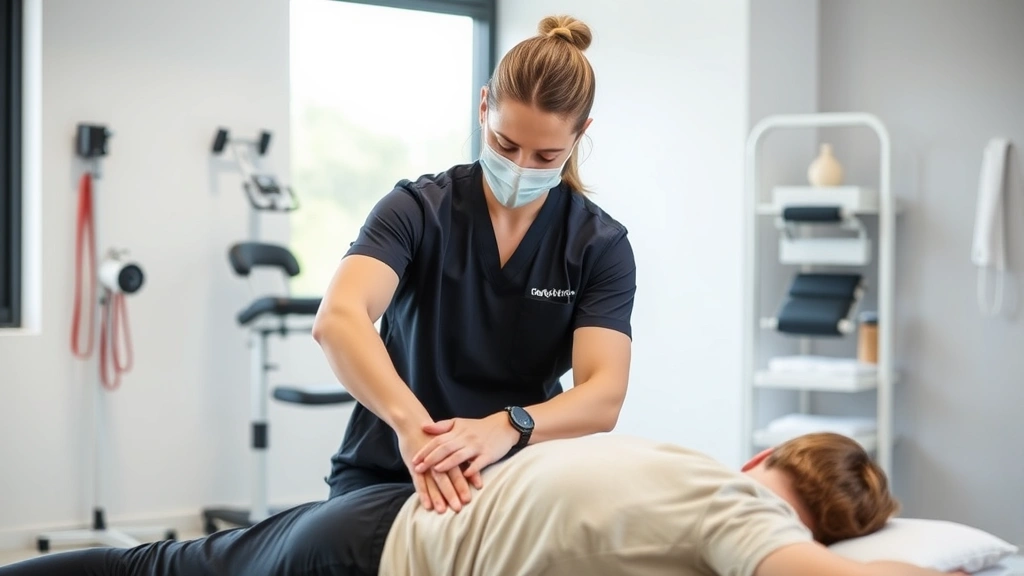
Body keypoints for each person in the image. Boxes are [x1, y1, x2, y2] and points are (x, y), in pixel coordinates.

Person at [311, 14, 637, 515]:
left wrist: (505, 427)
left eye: (546, 155)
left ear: (580, 135)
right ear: (484, 107)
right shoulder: (418, 210)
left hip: (513, 477)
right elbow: (339, 318)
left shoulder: (599, 246)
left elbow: (603, 394)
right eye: (506, 145)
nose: (521, 167)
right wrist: (416, 431)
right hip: (391, 469)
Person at [0, 432, 970, 576]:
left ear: (761, 450)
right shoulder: (744, 515)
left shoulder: (673, 453)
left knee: (152, 566)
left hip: (376, 515)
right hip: (368, 562)